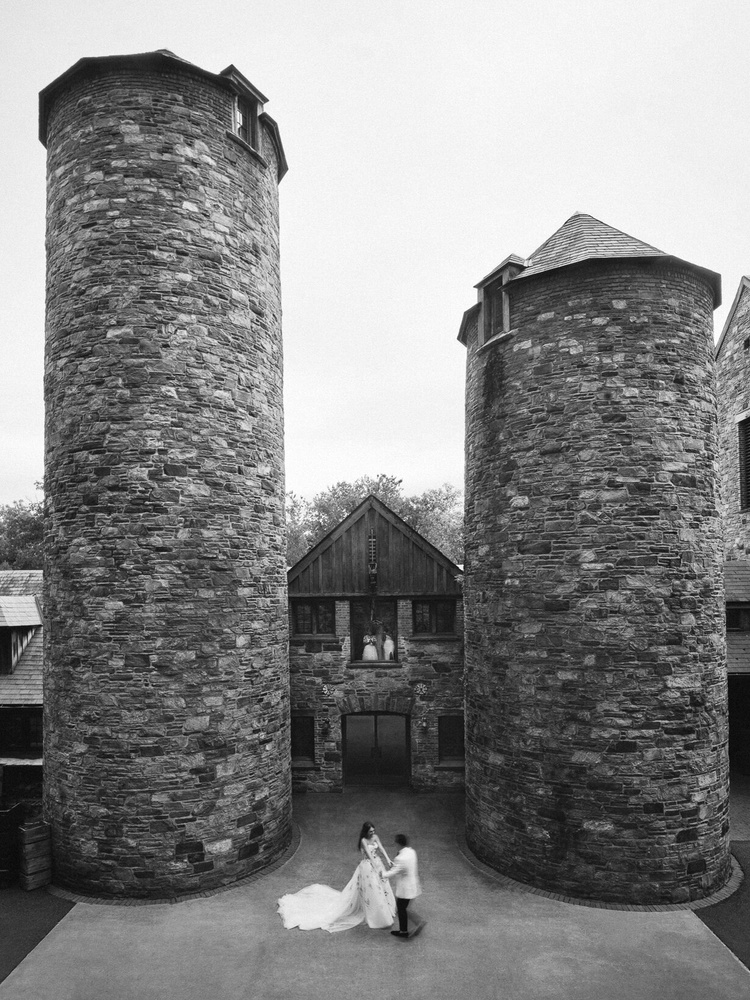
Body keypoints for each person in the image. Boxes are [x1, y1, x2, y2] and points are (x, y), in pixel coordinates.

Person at [277, 821, 397, 933]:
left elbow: (381, 848)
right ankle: (377, 915)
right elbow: (369, 855)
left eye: (373, 831)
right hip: (368, 867)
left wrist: (388, 860)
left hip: (377, 863)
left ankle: (385, 911)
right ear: (365, 832)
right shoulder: (364, 841)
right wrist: (375, 867)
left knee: (382, 886)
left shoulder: (375, 837)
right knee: (373, 889)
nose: (373, 833)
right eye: (370, 831)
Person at [383, 833, 422, 938]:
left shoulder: (400, 858)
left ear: (398, 843)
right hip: (413, 885)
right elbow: (401, 868)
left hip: (405, 889)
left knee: (401, 908)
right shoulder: (411, 852)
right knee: (404, 908)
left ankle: (406, 930)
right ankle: (411, 925)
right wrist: (395, 866)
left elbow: (393, 872)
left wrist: (381, 874)